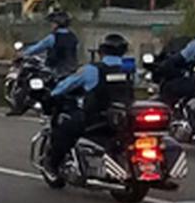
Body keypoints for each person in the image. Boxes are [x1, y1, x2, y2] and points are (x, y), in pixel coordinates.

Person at [42, 32, 136, 176]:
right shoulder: (129, 70)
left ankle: (53, 165)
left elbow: (66, 85)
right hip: (123, 118)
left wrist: (51, 93)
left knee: (63, 130)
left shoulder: (93, 70)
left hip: (96, 119)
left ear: (101, 51)